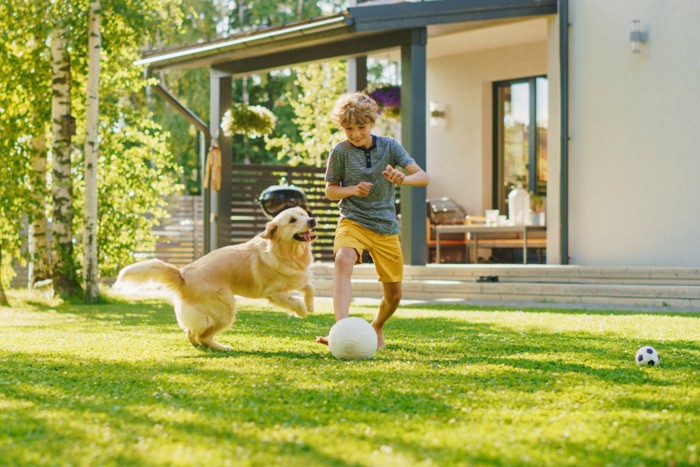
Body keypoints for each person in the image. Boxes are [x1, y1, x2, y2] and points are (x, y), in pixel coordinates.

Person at [316, 92, 429, 349]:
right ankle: (341, 330)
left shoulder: (389, 146)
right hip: (353, 219)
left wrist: (403, 179)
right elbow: (330, 190)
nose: (355, 134)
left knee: (394, 295)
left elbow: (423, 177)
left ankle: (376, 326)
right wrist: (352, 190)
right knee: (343, 259)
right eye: (348, 128)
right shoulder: (340, 152)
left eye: (361, 127)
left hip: (385, 225)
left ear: (371, 123)